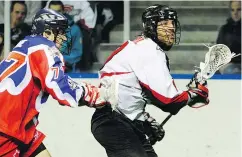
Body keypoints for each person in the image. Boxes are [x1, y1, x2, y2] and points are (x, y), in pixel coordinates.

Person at [91, 4, 210, 157]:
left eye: (172, 23)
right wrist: (193, 94)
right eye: (164, 23)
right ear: (150, 27)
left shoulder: (142, 47)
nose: (171, 28)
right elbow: (169, 101)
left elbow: (132, 90)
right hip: (114, 122)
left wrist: (144, 121)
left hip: (119, 120)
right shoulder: (149, 50)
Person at [0, 8, 116, 157]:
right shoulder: (44, 47)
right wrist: (94, 94)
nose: (63, 37)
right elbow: (62, 89)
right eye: (59, 32)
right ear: (47, 33)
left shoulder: (25, 44)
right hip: (7, 128)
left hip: (20, 126)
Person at [48, 0, 83, 73]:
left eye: (58, 11)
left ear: (63, 11)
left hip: (68, 72)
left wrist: (59, 59)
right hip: (46, 70)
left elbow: (77, 54)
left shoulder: (74, 29)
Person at [216, 0, 241, 74]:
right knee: (233, 71)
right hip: (229, 65)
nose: (235, 13)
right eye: (233, 10)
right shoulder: (225, 29)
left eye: (239, 9)